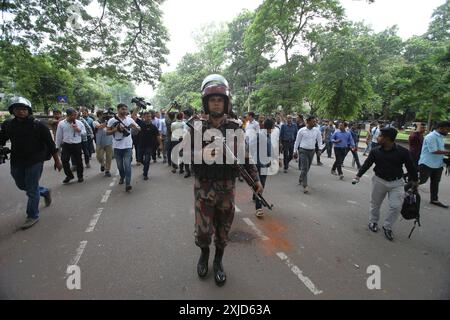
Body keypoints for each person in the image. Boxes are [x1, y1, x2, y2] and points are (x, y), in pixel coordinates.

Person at [189, 74, 263, 286]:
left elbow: (246, 157)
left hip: (226, 187)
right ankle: (204, 254)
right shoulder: (196, 126)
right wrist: (203, 154)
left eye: (220, 99)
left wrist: (255, 180)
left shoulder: (234, 127)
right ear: (206, 102)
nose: (216, 103)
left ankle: (218, 261)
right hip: (203, 186)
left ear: (226, 102)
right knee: (203, 232)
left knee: (223, 230)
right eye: (212, 100)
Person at [0, 97, 62, 230]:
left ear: (28, 110)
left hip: (35, 160)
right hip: (17, 160)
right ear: (13, 111)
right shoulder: (8, 124)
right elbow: (2, 139)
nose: (21, 112)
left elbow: (50, 144)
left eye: (24, 109)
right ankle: (45, 191)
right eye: (18, 109)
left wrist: (57, 160)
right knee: (22, 185)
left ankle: (32, 215)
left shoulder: (38, 125)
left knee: (32, 189)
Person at [354, 127, 418, 241]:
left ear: (387, 138)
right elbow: (367, 164)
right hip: (379, 181)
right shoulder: (375, 151)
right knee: (375, 204)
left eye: (380, 136)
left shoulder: (403, 152)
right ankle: (373, 222)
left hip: (397, 183)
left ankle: (387, 226)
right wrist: (358, 175)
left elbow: (410, 167)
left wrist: (415, 180)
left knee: (396, 206)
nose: (377, 138)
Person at [106, 104, 140, 192]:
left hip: (128, 146)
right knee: (120, 166)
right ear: (118, 110)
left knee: (127, 165)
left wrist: (136, 127)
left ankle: (128, 184)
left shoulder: (129, 119)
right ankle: (122, 176)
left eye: (126, 109)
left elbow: (138, 129)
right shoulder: (112, 120)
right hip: (117, 147)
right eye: (122, 109)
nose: (124, 111)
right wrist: (116, 129)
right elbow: (107, 132)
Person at [418, 121, 450, 208]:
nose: (448, 131)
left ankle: (434, 199)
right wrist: (448, 152)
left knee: (435, 182)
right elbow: (434, 150)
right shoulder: (431, 136)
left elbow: (440, 149)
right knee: (421, 180)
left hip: (438, 164)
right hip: (427, 163)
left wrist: (446, 154)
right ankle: (403, 190)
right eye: (447, 129)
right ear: (441, 128)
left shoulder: (440, 137)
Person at [250, 118, 277, 218]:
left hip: (265, 164)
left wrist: (274, 159)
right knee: (260, 185)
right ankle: (258, 208)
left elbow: (270, 149)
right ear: (271, 127)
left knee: (260, 184)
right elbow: (250, 147)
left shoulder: (268, 135)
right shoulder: (259, 135)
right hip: (258, 163)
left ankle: (255, 196)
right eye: (273, 126)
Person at [55, 108, 86, 184]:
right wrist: (57, 147)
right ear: (68, 115)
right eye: (73, 115)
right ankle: (69, 175)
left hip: (77, 145)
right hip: (66, 145)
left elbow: (84, 133)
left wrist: (78, 130)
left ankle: (80, 176)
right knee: (64, 160)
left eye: (76, 115)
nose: (75, 116)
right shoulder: (61, 123)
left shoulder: (79, 123)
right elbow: (58, 136)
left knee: (79, 161)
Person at [293, 116, 323, 194]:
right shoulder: (301, 130)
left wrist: (320, 149)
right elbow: (297, 141)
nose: (315, 123)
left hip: (312, 151)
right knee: (305, 168)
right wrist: (295, 151)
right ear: (308, 121)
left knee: (307, 168)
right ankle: (305, 186)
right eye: (313, 121)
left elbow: (320, 140)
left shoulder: (317, 131)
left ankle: (301, 177)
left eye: (315, 121)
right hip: (302, 150)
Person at [132, 111, 162, 180]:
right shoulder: (140, 124)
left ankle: (145, 174)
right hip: (140, 145)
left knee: (147, 160)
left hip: (149, 146)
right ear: (143, 117)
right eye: (147, 117)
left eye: (150, 117)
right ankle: (145, 166)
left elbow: (158, 136)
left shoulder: (153, 127)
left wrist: (160, 144)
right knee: (140, 159)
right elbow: (133, 116)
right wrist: (138, 106)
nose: (149, 118)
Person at [93, 110, 113, 177]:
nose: (104, 116)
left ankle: (107, 170)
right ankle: (102, 164)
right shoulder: (95, 122)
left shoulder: (110, 121)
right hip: (99, 142)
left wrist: (110, 120)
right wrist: (107, 121)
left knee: (109, 157)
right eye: (103, 114)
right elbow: (100, 127)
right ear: (99, 115)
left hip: (109, 141)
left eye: (105, 114)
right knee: (99, 157)